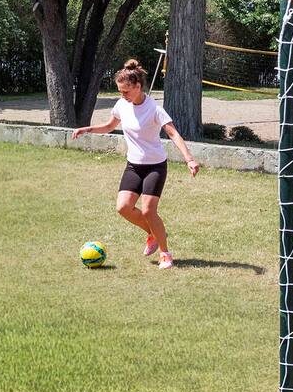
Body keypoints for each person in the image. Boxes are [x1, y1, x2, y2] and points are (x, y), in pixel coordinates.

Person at [68, 59, 201, 269]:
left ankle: (165, 253)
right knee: (123, 207)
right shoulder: (122, 105)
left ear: (138, 86)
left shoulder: (154, 109)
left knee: (149, 211)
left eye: (126, 91)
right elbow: (110, 126)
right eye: (120, 91)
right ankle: (153, 233)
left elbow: (173, 133)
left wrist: (189, 159)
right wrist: (87, 129)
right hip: (134, 165)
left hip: (155, 166)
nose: (123, 96)